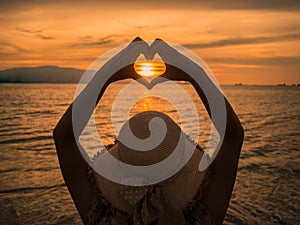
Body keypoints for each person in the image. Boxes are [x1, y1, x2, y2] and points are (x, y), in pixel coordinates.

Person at [53, 38, 244, 225]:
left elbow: (63, 136)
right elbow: (233, 136)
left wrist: (109, 72)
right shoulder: (202, 215)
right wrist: (193, 73)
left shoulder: (100, 215)